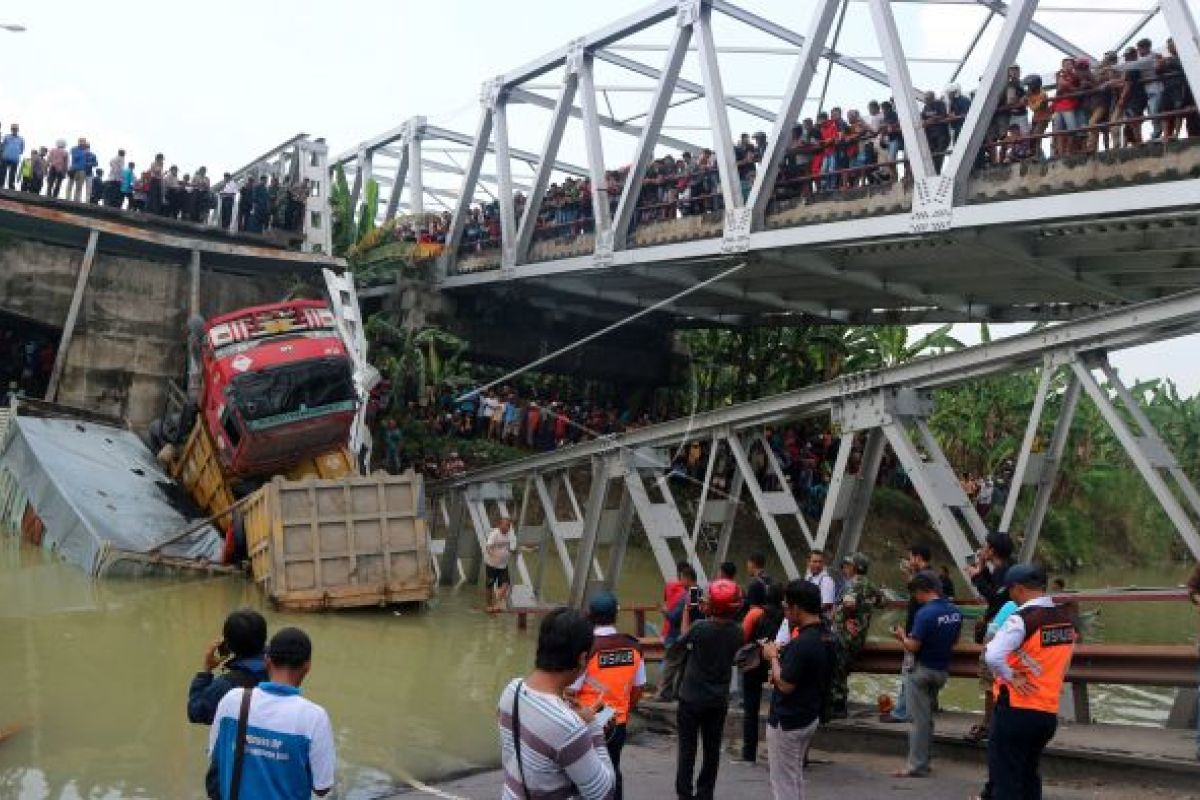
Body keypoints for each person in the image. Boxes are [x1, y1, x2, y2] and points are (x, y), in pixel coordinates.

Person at [978, 564, 1076, 799]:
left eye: (1010, 590)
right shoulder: (1065, 620)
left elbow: (991, 655)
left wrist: (1012, 676)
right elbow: (1065, 662)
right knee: (1029, 775)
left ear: (1019, 589)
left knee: (1006, 779)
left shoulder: (1021, 619)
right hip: (1047, 712)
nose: (1009, 595)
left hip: (1016, 710)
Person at [497, 608, 616, 800]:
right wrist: (593, 728)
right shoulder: (569, 727)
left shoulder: (512, 690)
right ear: (582, 658)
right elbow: (603, 793)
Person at [207, 627, 335, 800]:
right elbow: (322, 787)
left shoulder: (232, 701)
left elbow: (214, 755)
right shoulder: (314, 718)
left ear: (267, 660)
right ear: (307, 666)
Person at [570, 592, 644, 800]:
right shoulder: (633, 646)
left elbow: (571, 690)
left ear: (590, 615)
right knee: (613, 769)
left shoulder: (587, 648)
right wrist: (624, 711)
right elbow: (638, 687)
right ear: (615, 615)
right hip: (617, 722)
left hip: (588, 722)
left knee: (584, 776)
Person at [674, 578, 743, 800]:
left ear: (711, 604)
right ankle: (705, 794)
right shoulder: (738, 631)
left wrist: (687, 610)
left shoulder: (699, 628)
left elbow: (681, 641)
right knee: (711, 751)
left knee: (687, 750)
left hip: (691, 698)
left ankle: (685, 794)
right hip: (717, 700)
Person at [761, 580, 830, 800]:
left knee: (783, 785)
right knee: (794, 777)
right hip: (809, 714)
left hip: (788, 721)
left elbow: (786, 684)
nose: (784, 610)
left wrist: (772, 657)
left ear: (797, 608)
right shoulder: (827, 636)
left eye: (786, 605)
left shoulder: (802, 643)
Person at [892, 571, 962, 778]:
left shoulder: (925, 613)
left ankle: (916, 766)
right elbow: (955, 641)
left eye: (915, 593)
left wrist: (901, 637)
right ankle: (924, 760)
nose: (915, 598)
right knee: (927, 719)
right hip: (941, 671)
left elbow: (913, 646)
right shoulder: (955, 611)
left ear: (923, 591)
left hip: (921, 671)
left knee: (917, 721)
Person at [965, 532, 1015, 742]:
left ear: (992, 550)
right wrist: (982, 570)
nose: (982, 549)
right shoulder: (1007, 569)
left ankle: (989, 725)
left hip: (999, 630)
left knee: (989, 679)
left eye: (985, 546)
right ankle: (993, 722)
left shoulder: (1006, 571)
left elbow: (994, 598)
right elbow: (996, 591)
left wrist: (976, 577)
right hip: (1007, 629)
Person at [830, 553, 881, 719]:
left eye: (847, 565)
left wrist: (842, 616)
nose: (845, 568)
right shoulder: (871, 585)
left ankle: (838, 707)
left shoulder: (852, 585)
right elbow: (882, 602)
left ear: (856, 567)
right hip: (859, 637)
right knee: (841, 670)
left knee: (838, 671)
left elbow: (849, 603)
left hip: (844, 636)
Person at [738, 580, 783, 763]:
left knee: (751, 710)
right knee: (778, 708)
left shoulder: (756, 613)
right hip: (777, 664)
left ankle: (749, 753)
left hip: (755, 664)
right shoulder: (787, 616)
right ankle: (776, 754)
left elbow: (742, 637)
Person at [656, 563, 698, 701]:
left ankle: (664, 694)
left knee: (671, 664)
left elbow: (675, 618)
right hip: (690, 636)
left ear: (687, 578)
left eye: (681, 578)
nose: (680, 582)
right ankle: (679, 693)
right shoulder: (697, 593)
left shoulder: (690, 595)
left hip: (678, 636)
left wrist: (665, 612)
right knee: (683, 667)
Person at [484, 516, 518, 611]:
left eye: (508, 526)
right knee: (489, 585)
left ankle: (497, 603)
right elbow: (488, 547)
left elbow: (511, 548)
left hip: (503, 565)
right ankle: (489, 605)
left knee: (505, 584)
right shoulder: (494, 534)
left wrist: (515, 551)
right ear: (499, 525)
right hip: (492, 564)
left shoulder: (510, 535)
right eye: (505, 526)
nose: (507, 528)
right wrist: (493, 555)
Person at [804, 550, 837, 617]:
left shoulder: (826, 580)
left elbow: (826, 605)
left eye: (820, 562)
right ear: (808, 562)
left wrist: (806, 614)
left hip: (819, 620)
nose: (818, 565)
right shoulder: (808, 577)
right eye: (815, 561)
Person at [1, 124, 24, 190]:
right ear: (11, 129)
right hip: (5, 157)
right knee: (3, 172)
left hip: (15, 159)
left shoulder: (21, 139)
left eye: (16, 129)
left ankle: (11, 186)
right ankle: (1, 184)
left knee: (12, 173)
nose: (14, 130)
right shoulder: (6, 137)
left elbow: (21, 150)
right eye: (13, 128)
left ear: (18, 130)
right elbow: (2, 146)